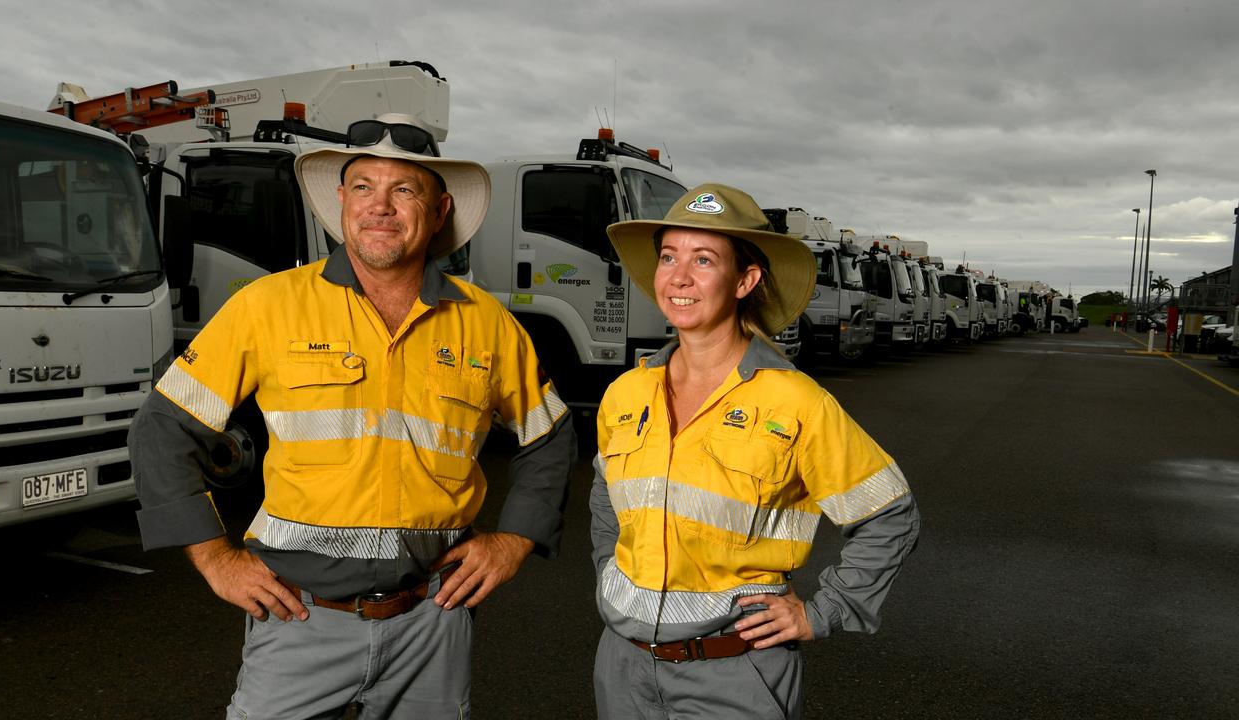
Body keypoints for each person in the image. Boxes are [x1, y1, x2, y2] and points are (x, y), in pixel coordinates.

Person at [129, 117, 575, 719]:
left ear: (439, 210)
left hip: (433, 624)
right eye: (363, 187)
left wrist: (514, 541)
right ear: (340, 201)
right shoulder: (269, 305)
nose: (380, 207)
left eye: (405, 191)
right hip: (299, 617)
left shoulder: (487, 322)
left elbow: (549, 436)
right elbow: (163, 427)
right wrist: (216, 560)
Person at [589, 184, 920, 719]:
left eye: (704, 260)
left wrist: (823, 611)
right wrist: (610, 572)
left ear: (745, 280)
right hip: (622, 668)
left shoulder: (795, 402)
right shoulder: (627, 392)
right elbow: (606, 497)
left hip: (735, 674)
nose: (679, 277)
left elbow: (889, 514)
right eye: (669, 257)